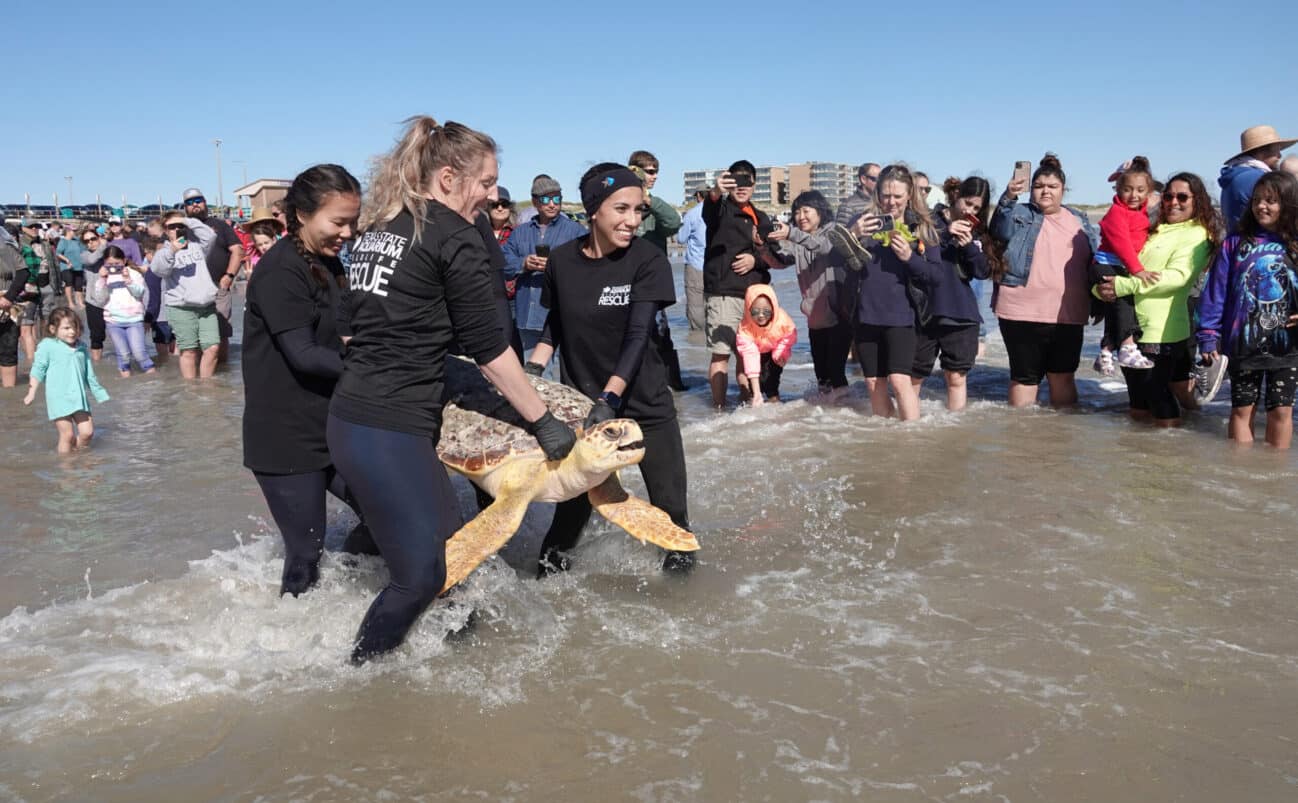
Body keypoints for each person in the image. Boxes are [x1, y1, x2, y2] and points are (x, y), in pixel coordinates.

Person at [327, 115, 576, 664]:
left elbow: (348, 322)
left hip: (353, 417)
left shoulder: (384, 225)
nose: (492, 195)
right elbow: (487, 349)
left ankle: (444, 665)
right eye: (486, 182)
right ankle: (357, 681)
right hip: (388, 427)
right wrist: (542, 421)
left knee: (455, 556)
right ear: (446, 178)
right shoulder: (453, 234)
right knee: (423, 576)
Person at [525, 162, 691, 574]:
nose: (632, 220)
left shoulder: (647, 260)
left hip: (645, 408)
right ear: (593, 210)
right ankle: (549, 602)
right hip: (585, 412)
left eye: (638, 211)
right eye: (621, 209)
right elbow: (555, 327)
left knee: (672, 521)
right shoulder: (562, 261)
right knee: (567, 523)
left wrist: (610, 397)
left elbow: (638, 337)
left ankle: (686, 613)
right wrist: (531, 375)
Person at [244, 165, 368, 597]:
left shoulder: (328, 262)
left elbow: (343, 334)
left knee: (386, 514)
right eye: (338, 222)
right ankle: (291, 644)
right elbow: (303, 354)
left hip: (333, 421)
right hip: (285, 434)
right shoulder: (282, 270)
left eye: (354, 221)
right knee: (305, 553)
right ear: (300, 215)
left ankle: (352, 588)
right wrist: (376, 368)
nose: (348, 232)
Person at [1094, 172, 1219, 427]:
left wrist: (1122, 286)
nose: (1174, 202)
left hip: (1162, 330)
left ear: (1198, 201)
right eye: (1169, 196)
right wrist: (1100, 289)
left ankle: (1171, 455)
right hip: (1128, 324)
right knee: (1137, 402)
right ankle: (1138, 458)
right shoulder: (1154, 227)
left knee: (1157, 394)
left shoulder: (1198, 235)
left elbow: (1178, 277)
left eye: (1182, 197)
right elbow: (1118, 265)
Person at [1196, 172, 1298, 448]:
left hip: (1287, 347)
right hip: (1242, 343)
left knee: (1281, 410)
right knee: (1242, 410)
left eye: (1271, 201)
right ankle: (1240, 477)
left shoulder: (1295, 244)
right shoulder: (1236, 243)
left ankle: (1273, 475)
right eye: (1257, 200)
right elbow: (1215, 292)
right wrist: (1207, 335)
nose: (1261, 206)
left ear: (1288, 204)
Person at [991, 153, 1099, 408]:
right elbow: (998, 229)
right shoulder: (1018, 213)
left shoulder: (1080, 219)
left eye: (1052, 187)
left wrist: (1101, 302)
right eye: (1039, 186)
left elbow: (1095, 264)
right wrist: (1008, 197)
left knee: (1062, 377)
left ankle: (1059, 441)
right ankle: (1022, 443)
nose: (1045, 192)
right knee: (1024, 379)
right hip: (1020, 312)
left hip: (1068, 315)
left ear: (1063, 190)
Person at [837, 164, 942, 421]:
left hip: (903, 316)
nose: (891, 202)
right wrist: (853, 235)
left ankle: (912, 439)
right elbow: (839, 263)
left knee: (899, 380)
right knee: (874, 384)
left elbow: (936, 277)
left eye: (897, 196)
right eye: (885, 195)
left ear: (909, 195)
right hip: (865, 314)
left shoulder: (922, 227)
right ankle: (887, 442)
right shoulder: (861, 223)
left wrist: (910, 257)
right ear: (877, 194)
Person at [702, 159, 780, 408]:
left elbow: (774, 257)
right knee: (721, 353)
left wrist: (754, 259)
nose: (742, 186)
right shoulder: (721, 210)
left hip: (754, 297)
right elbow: (709, 210)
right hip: (724, 293)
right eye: (737, 180)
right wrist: (716, 190)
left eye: (747, 181)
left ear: (755, 184)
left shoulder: (761, 217)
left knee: (749, 357)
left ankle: (747, 408)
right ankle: (719, 410)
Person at [913, 176, 995, 411]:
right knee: (914, 375)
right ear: (956, 196)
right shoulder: (929, 221)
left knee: (956, 377)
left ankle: (956, 431)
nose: (969, 211)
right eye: (967, 203)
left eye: (976, 208)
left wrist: (969, 245)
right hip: (925, 312)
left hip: (961, 313)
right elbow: (918, 256)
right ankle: (908, 430)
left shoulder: (976, 233)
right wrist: (947, 234)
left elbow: (981, 272)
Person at [766, 190, 852, 396]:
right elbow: (779, 261)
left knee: (836, 372)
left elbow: (824, 248)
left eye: (806, 211)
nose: (800, 216)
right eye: (796, 212)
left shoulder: (834, 232)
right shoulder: (799, 241)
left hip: (839, 314)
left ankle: (846, 414)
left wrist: (792, 234)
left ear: (820, 211)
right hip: (814, 318)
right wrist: (762, 247)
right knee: (821, 375)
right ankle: (826, 419)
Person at [502, 175, 587, 359]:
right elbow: (503, 263)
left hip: (564, 315)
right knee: (534, 374)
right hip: (528, 315)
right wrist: (524, 264)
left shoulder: (576, 231)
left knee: (565, 374)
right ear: (535, 202)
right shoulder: (520, 232)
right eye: (546, 199)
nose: (552, 204)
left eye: (557, 199)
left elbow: (590, 266)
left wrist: (558, 266)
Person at [1090, 157, 1160, 375]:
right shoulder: (1117, 213)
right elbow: (1122, 245)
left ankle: (1106, 350)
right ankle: (1128, 346)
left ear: (1149, 193)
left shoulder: (1139, 213)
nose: (1134, 195)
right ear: (1118, 189)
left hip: (1118, 265)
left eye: (1140, 190)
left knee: (1114, 309)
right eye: (1128, 190)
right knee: (1125, 303)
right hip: (1107, 264)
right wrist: (1137, 270)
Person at [628, 149, 687, 391]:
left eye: (656, 172)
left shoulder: (654, 205)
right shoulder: (623, 204)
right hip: (624, 281)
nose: (654, 176)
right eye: (650, 172)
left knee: (660, 335)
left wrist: (648, 200)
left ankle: (671, 385)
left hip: (652, 284)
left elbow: (673, 222)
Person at [22, 308, 109, 454]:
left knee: (87, 433)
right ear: (53, 329)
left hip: (79, 397)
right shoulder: (48, 345)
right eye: (66, 328)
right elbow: (38, 370)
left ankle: (78, 455)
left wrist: (99, 392)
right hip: (58, 397)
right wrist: (31, 392)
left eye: (75, 327)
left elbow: (89, 373)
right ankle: (66, 468)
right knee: (67, 435)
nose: (72, 332)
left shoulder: (81, 347)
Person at [150, 210, 220, 378]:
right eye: (171, 227)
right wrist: (173, 250)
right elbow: (159, 270)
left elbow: (210, 236)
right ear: (165, 231)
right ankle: (190, 391)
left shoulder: (198, 246)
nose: (176, 229)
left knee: (212, 348)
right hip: (181, 307)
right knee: (189, 351)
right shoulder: (163, 253)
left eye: (180, 226)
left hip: (206, 306)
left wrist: (188, 220)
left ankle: (206, 388)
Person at [180, 188, 244, 361]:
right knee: (191, 338)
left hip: (218, 286)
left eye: (198, 201)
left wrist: (229, 276)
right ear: (185, 207)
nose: (195, 205)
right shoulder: (181, 229)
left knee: (221, 333)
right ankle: (198, 381)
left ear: (205, 202)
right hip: (189, 290)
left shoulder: (220, 226)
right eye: (190, 203)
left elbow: (238, 250)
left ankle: (223, 373)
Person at [87, 245, 154, 377]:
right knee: (123, 355)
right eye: (109, 264)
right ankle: (126, 387)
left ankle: (153, 382)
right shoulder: (103, 277)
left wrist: (128, 280)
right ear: (104, 263)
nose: (113, 267)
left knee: (139, 353)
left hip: (134, 319)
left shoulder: (133, 273)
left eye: (117, 264)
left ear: (123, 261)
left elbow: (140, 293)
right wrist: (102, 279)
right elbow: (100, 299)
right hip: (113, 321)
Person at [1219, 125, 1296, 234]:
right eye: (1277, 150)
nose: (1279, 155)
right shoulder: (1258, 178)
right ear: (1262, 151)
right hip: (1260, 244)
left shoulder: (1236, 175)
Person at [735, 284, 796, 405]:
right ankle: (754, 398)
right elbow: (750, 356)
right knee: (754, 385)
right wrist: (756, 392)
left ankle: (774, 402)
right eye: (755, 311)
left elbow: (790, 335)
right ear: (748, 309)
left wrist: (780, 353)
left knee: (771, 384)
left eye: (766, 311)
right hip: (755, 352)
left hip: (775, 351)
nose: (761, 315)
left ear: (773, 308)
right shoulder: (745, 328)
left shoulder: (782, 320)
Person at [675, 185, 708, 331]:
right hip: (717, 264)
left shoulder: (693, 213)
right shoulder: (722, 212)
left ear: (699, 196)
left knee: (696, 303)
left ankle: (697, 339)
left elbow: (681, 239)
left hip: (696, 264)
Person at [78, 227, 111, 361]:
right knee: (97, 336)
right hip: (94, 301)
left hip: (114, 300)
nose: (90, 243)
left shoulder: (110, 253)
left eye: (93, 239)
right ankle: (97, 365)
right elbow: (92, 260)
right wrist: (103, 245)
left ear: (99, 237)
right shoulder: (84, 256)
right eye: (86, 241)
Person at [239, 207, 285, 273]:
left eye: (266, 224)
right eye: (257, 225)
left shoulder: (283, 245)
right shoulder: (254, 255)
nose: (262, 227)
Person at [56, 222, 85, 308]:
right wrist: (67, 260)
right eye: (73, 231)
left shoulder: (77, 240)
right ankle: (70, 302)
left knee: (78, 285)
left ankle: (80, 301)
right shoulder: (63, 241)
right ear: (68, 231)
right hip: (67, 267)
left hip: (78, 266)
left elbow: (83, 250)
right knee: (69, 284)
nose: (75, 232)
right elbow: (58, 253)